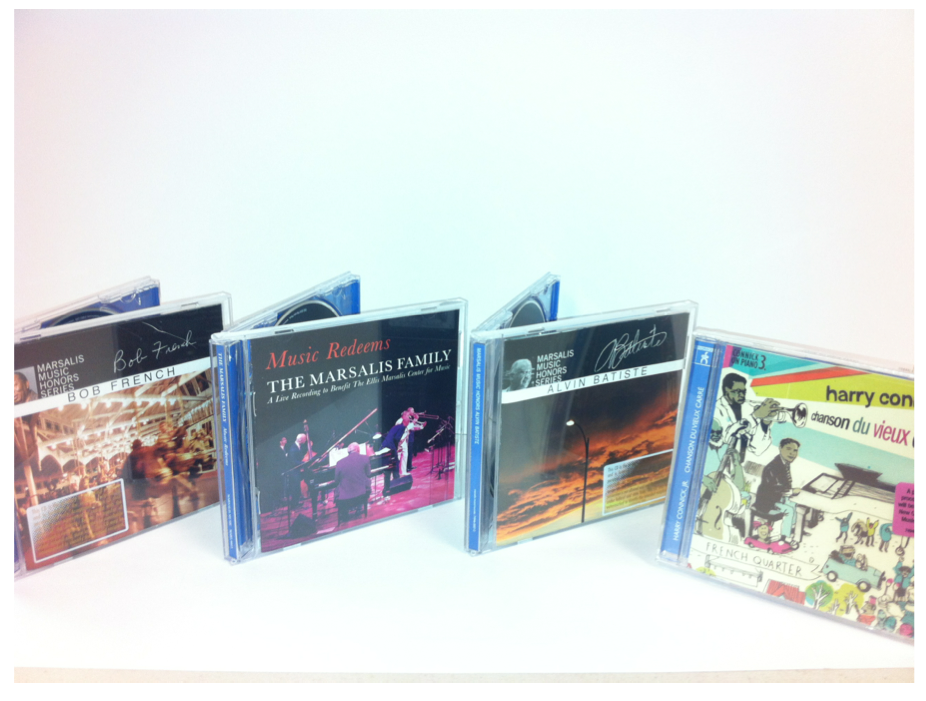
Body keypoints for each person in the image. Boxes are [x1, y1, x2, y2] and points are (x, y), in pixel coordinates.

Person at [753, 438, 802, 544]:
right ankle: (785, 537)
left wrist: (790, 492)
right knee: (789, 510)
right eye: (788, 449)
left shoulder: (784, 463)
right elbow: (775, 487)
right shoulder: (772, 467)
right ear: (780, 448)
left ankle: (790, 529)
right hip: (766, 503)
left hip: (776, 498)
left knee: (794, 504)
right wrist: (792, 491)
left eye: (795, 450)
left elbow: (784, 484)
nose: (792, 453)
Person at [333, 442, 372, 524]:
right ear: (358, 449)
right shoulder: (365, 458)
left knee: (339, 489)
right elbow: (368, 474)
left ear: (348, 451)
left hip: (345, 498)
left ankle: (345, 514)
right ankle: (359, 508)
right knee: (364, 483)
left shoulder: (339, 463)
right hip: (362, 494)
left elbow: (336, 481)